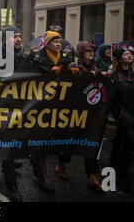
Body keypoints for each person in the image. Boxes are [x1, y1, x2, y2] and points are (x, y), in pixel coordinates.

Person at [22, 30, 71, 193]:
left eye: (60, 41)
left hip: (56, 107)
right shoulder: (36, 58)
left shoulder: (65, 59)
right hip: (38, 106)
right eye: (55, 41)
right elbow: (27, 77)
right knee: (39, 142)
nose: (58, 44)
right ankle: (43, 178)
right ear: (48, 44)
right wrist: (49, 73)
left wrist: (72, 74)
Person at [54, 41, 104, 192]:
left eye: (93, 51)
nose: (91, 53)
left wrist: (102, 76)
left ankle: (92, 176)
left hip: (91, 111)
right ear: (81, 52)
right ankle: (61, 164)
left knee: (91, 142)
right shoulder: (73, 66)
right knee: (71, 140)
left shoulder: (95, 67)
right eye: (88, 50)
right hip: (74, 111)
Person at [0, 25, 25, 202]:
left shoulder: (24, 57)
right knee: (8, 147)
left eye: (19, 36)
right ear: (4, 40)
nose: (18, 39)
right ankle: (12, 187)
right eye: (14, 36)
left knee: (9, 145)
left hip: (18, 108)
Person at [109, 47, 134, 192]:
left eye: (130, 54)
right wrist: (119, 115)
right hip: (124, 118)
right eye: (126, 54)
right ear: (120, 59)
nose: (129, 56)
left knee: (127, 148)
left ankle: (120, 174)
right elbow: (112, 101)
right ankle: (120, 174)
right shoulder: (114, 76)